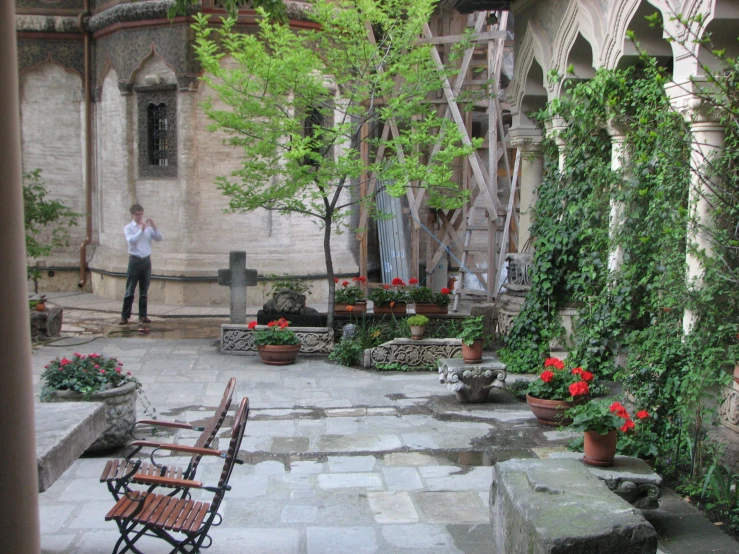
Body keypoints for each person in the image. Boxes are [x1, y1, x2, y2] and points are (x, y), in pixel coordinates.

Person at [119, 203, 163, 325]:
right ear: (132, 215)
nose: (139, 217)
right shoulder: (129, 228)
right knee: (130, 290)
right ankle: (125, 316)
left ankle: (142, 315)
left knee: (144, 290)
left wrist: (154, 227)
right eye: (137, 214)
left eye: (141, 214)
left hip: (146, 261)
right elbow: (131, 242)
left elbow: (159, 238)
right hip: (135, 260)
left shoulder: (147, 227)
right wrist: (140, 231)